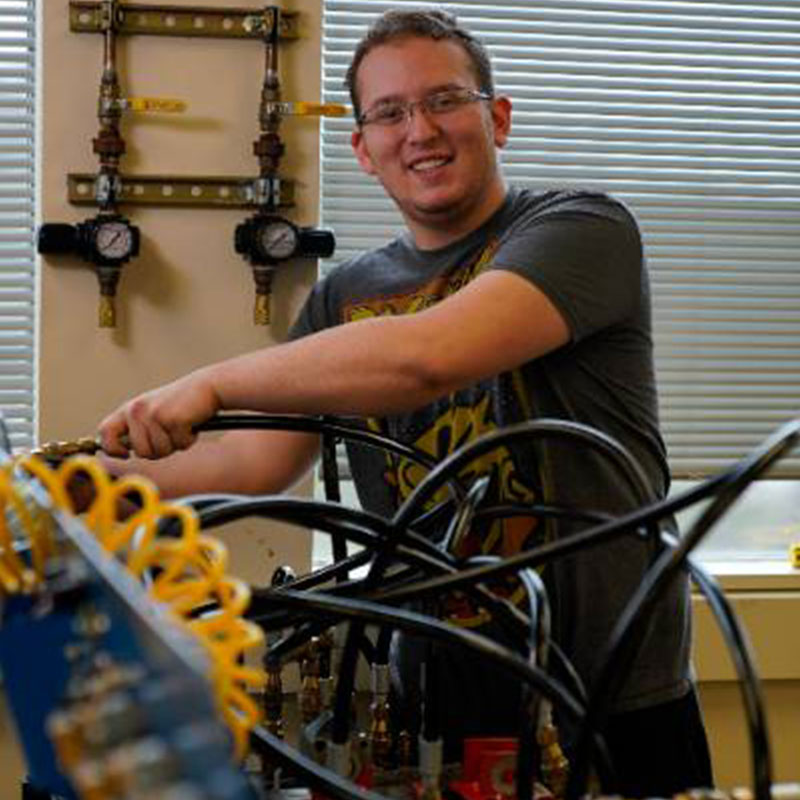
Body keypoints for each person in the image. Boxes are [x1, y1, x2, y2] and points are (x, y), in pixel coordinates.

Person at [98, 8, 712, 796]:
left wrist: (210, 382)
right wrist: (87, 482)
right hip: (436, 684)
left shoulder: (581, 227)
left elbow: (428, 357)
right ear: (362, 149)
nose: (418, 129)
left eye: (444, 100)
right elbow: (259, 461)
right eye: (389, 112)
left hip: (610, 680)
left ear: (497, 117)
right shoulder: (341, 299)